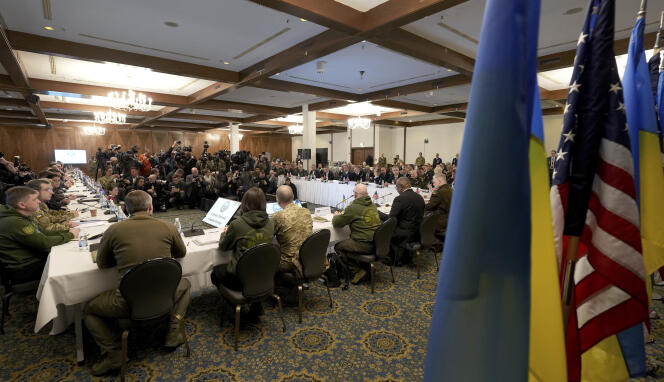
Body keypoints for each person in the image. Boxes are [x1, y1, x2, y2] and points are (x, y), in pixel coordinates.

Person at [84, 190, 189, 376]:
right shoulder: (167, 226)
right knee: (186, 284)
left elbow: (103, 264)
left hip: (127, 303)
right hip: (164, 296)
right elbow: (181, 254)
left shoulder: (114, 230)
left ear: (126, 208)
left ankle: (115, 354)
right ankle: (174, 331)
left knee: (88, 310)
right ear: (150, 207)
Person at [210, 187, 274, 321]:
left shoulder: (237, 224)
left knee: (215, 273)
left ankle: (233, 306)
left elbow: (223, 247)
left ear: (244, 203)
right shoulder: (271, 223)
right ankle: (256, 305)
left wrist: (224, 233)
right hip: (264, 275)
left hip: (240, 279)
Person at [0, 186, 78, 283]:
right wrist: (69, 236)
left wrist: (68, 230)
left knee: (71, 253)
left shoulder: (22, 215)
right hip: (25, 267)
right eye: (34, 199)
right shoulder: (15, 222)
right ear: (22, 205)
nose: (39, 201)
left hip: (34, 258)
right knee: (73, 263)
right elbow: (44, 243)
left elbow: (44, 232)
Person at [332, 184, 381, 284]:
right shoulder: (372, 205)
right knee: (348, 243)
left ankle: (357, 271)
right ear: (367, 194)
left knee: (338, 246)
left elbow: (337, 223)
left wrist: (336, 216)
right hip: (377, 243)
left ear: (355, 195)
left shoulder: (353, 207)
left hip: (364, 244)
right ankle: (360, 266)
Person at [378, 177, 424, 264]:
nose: (397, 190)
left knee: (383, 230)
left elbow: (390, 219)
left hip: (404, 233)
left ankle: (391, 259)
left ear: (401, 187)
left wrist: (378, 213)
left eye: (396, 188)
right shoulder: (419, 197)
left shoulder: (400, 198)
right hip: (417, 232)